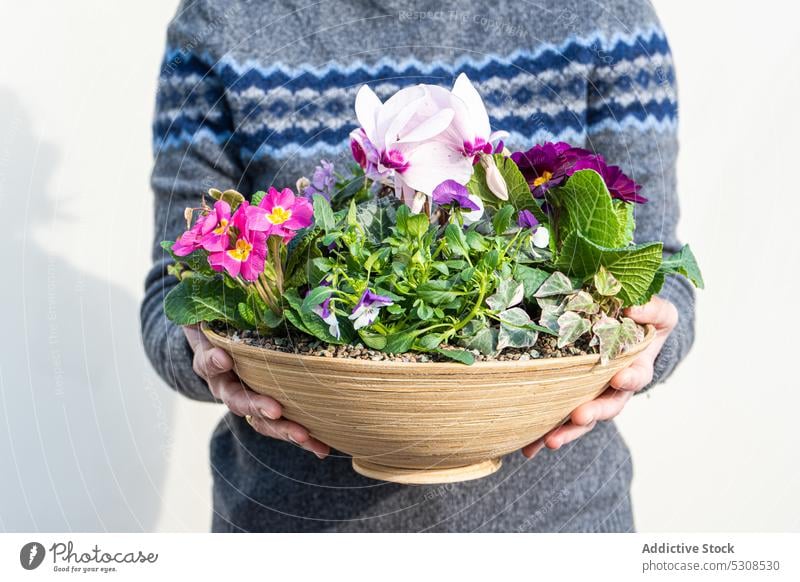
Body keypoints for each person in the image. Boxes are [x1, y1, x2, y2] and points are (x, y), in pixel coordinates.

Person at [142, 0, 695, 532]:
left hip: (557, 529)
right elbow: (176, 292)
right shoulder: (222, 18)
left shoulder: (605, 15)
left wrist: (647, 344)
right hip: (291, 529)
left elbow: (658, 272)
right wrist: (208, 355)